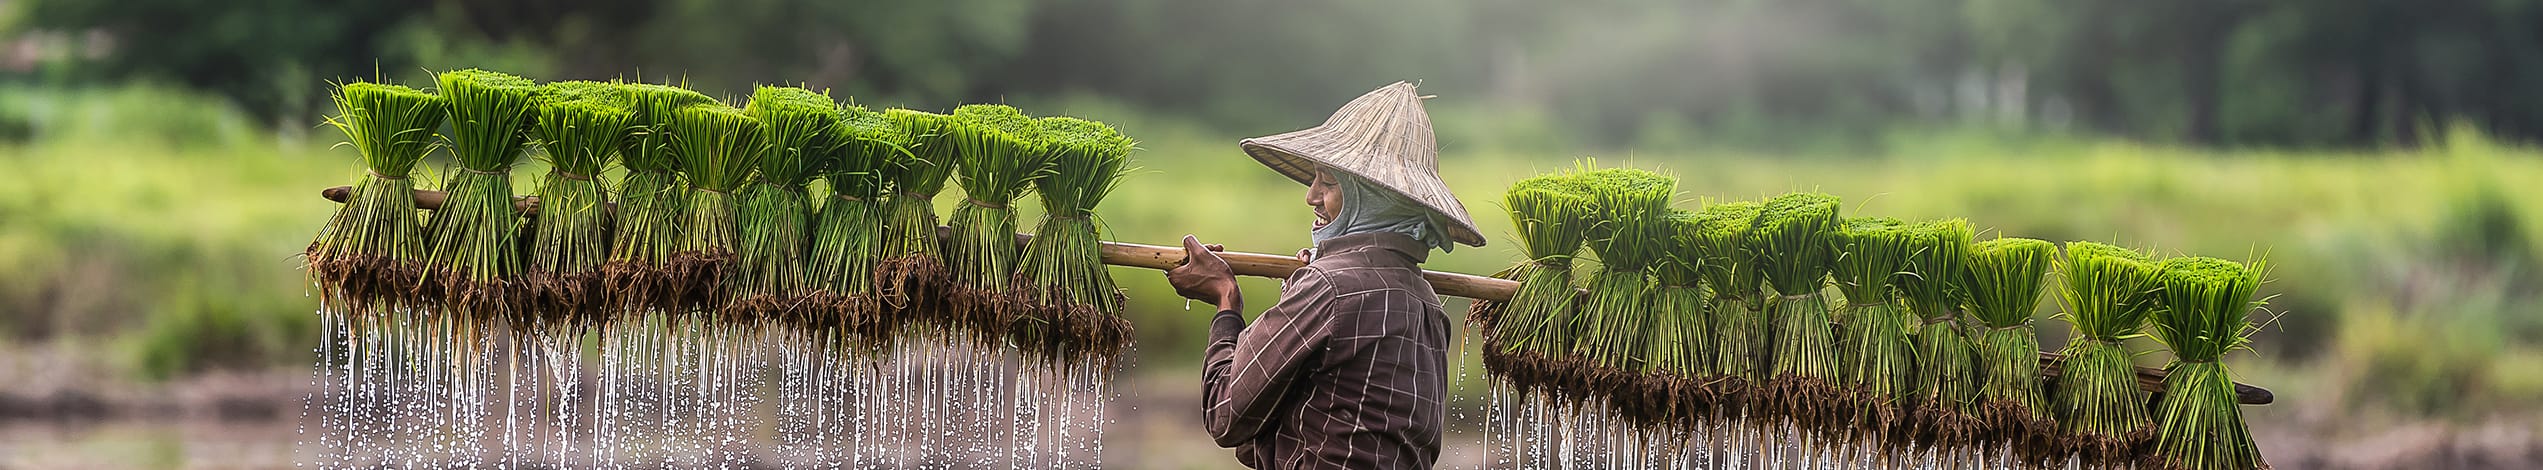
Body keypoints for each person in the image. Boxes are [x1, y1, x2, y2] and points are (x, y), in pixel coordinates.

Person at [1166, 81, 1487, 469]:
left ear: (1372, 202)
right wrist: (1300, 292)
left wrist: (1225, 299)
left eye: (1329, 183)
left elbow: (1226, 415)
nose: (1312, 196)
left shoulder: (1329, 287)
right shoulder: (1426, 303)